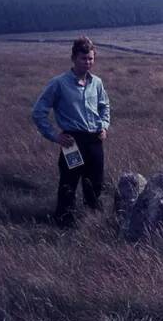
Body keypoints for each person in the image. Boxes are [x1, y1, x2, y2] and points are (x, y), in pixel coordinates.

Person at [32, 36, 111, 227]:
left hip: (94, 141)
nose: (88, 62)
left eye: (91, 58)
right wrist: (54, 135)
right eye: (84, 58)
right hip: (72, 142)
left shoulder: (97, 83)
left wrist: (104, 126)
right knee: (69, 183)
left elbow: (104, 106)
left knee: (94, 184)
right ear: (74, 58)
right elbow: (38, 112)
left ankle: (92, 221)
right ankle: (63, 224)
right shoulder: (59, 83)